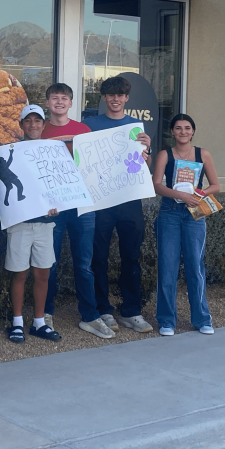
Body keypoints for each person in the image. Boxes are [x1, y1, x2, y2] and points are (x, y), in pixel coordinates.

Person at [83, 76, 154, 334]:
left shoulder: (135, 127)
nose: (115, 99)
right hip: (100, 200)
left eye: (120, 95)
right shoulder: (89, 125)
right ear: (104, 98)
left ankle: (131, 311)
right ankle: (103, 309)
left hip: (129, 200)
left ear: (126, 98)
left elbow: (144, 166)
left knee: (131, 257)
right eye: (111, 95)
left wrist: (146, 152)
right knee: (98, 257)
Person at [40, 82, 111, 339]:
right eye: (54, 98)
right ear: (47, 103)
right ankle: (44, 313)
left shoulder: (83, 130)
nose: (59, 102)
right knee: (49, 263)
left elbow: (98, 164)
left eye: (64, 98)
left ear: (71, 103)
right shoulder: (40, 130)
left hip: (83, 206)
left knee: (84, 264)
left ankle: (89, 316)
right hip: (53, 208)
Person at [152, 114, 218, 337]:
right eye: (178, 128)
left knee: (195, 266)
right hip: (169, 212)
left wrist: (197, 195)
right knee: (167, 267)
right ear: (172, 131)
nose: (183, 132)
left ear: (193, 131)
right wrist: (180, 194)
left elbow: (215, 185)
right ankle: (166, 320)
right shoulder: (165, 154)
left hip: (194, 213)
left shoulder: (202, 154)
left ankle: (202, 319)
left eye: (187, 128)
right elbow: (156, 185)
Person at [3, 106, 63, 343]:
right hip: (20, 222)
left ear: (44, 124)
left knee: (42, 273)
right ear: (21, 125)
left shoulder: (52, 151)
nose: (33, 125)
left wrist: (57, 203)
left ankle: (39, 322)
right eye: (28, 121)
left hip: (45, 223)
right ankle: (17, 322)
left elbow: (58, 183)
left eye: (37, 120)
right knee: (19, 273)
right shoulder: (12, 150)